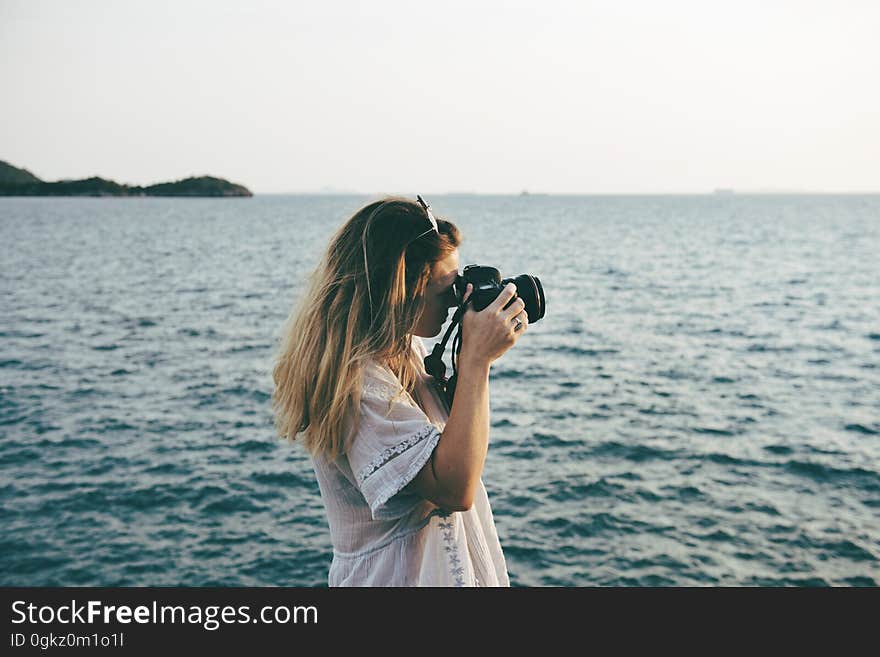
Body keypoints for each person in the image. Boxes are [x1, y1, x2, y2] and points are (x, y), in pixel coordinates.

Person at [272, 196, 529, 586]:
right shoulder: (357, 385)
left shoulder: (404, 350)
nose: (456, 299)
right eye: (445, 287)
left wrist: (469, 360)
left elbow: (451, 445)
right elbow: (453, 487)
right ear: (401, 290)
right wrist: (477, 363)